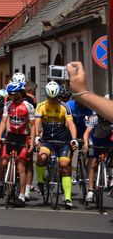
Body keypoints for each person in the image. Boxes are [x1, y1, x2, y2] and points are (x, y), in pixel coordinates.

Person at [33, 80, 78, 208]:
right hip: (47, 141)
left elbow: (71, 124)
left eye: (55, 98)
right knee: (41, 157)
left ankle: (68, 198)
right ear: (47, 96)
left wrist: (74, 138)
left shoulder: (64, 107)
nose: (52, 100)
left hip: (62, 142)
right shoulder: (41, 106)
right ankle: (41, 181)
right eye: (50, 98)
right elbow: (36, 122)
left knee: (64, 166)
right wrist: (37, 136)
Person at [0, 80, 34, 207]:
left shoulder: (28, 106)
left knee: (21, 167)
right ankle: (1, 184)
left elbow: (33, 126)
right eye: (10, 94)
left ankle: (22, 196)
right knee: (3, 161)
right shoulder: (8, 105)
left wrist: (32, 142)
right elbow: (3, 121)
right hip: (11, 136)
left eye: (12, 94)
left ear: (19, 94)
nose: (10, 96)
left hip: (23, 137)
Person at [83, 108, 113, 203]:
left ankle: (110, 171)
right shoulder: (95, 119)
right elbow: (86, 133)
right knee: (93, 164)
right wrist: (85, 143)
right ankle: (90, 190)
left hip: (107, 140)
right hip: (95, 140)